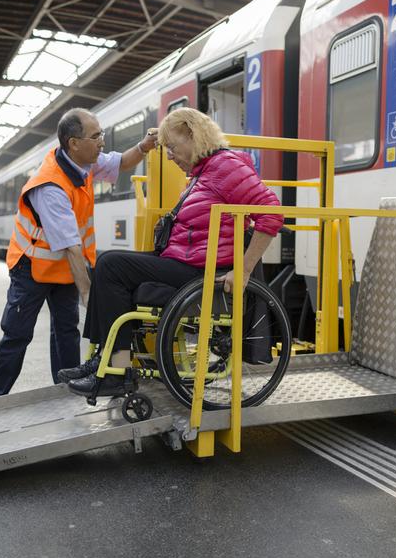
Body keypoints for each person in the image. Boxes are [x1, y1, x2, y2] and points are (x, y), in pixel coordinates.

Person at [61, 107, 283, 397]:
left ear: (193, 136)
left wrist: (243, 270)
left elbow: (271, 212)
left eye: (173, 147)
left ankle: (117, 371)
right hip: (184, 263)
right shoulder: (202, 172)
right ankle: (107, 362)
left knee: (111, 265)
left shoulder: (226, 166)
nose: (168, 156)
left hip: (200, 271)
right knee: (109, 269)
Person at [0, 108, 158, 399]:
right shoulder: (50, 186)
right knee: (17, 335)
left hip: (62, 267)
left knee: (66, 331)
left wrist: (144, 147)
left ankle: (66, 393)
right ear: (74, 143)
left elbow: (122, 162)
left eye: (101, 134)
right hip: (32, 267)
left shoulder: (85, 162)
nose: (102, 142)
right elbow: (71, 246)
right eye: (96, 136)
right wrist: (89, 294)